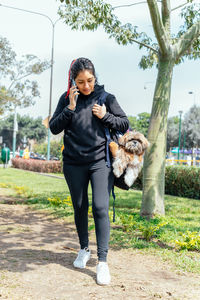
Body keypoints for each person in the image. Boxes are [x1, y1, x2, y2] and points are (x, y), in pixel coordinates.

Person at [49, 57, 129, 285]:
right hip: (73, 163)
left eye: (90, 80)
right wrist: (70, 108)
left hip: (100, 162)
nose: (86, 86)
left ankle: (102, 262)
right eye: (81, 81)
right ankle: (84, 248)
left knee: (100, 208)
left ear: (95, 77)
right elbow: (55, 128)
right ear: (73, 81)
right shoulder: (66, 99)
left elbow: (124, 123)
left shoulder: (106, 98)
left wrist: (105, 116)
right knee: (80, 206)